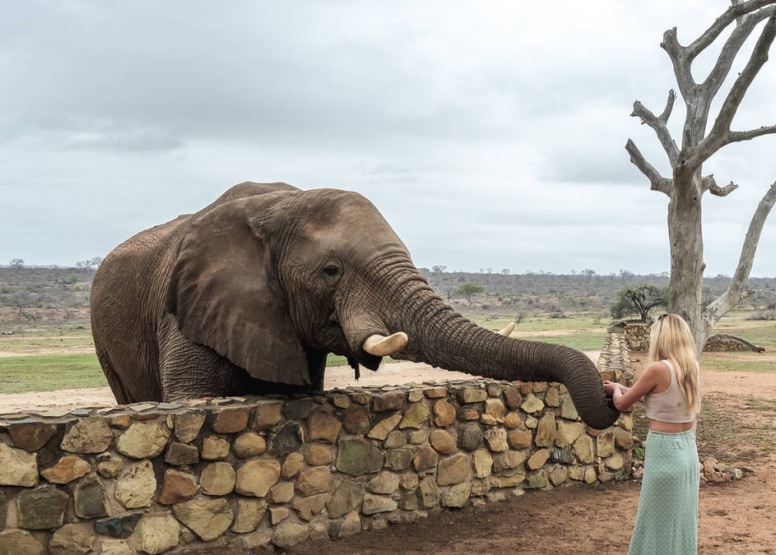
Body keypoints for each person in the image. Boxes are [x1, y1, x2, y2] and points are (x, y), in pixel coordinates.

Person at [603, 313, 701, 555]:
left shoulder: (657, 369)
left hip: (664, 451)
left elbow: (622, 404)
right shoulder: (691, 366)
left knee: (655, 520)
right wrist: (624, 392)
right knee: (680, 520)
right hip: (687, 452)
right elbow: (655, 399)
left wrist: (615, 388)